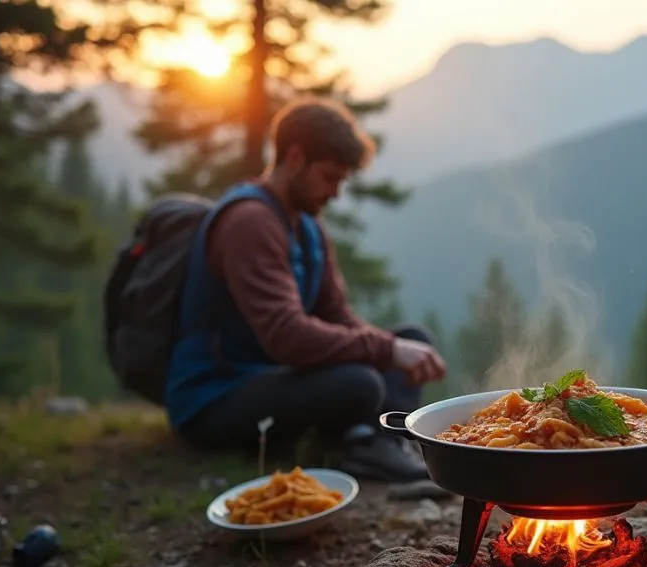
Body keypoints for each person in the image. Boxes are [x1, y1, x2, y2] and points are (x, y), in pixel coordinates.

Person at [163, 96, 447, 483]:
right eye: (330, 177)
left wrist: (393, 348)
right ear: (294, 157)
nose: (335, 193)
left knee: (412, 340)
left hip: (274, 378)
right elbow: (287, 337)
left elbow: (338, 316)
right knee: (361, 381)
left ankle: (371, 441)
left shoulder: (307, 227)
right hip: (214, 397)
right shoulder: (249, 222)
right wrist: (386, 350)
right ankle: (362, 443)